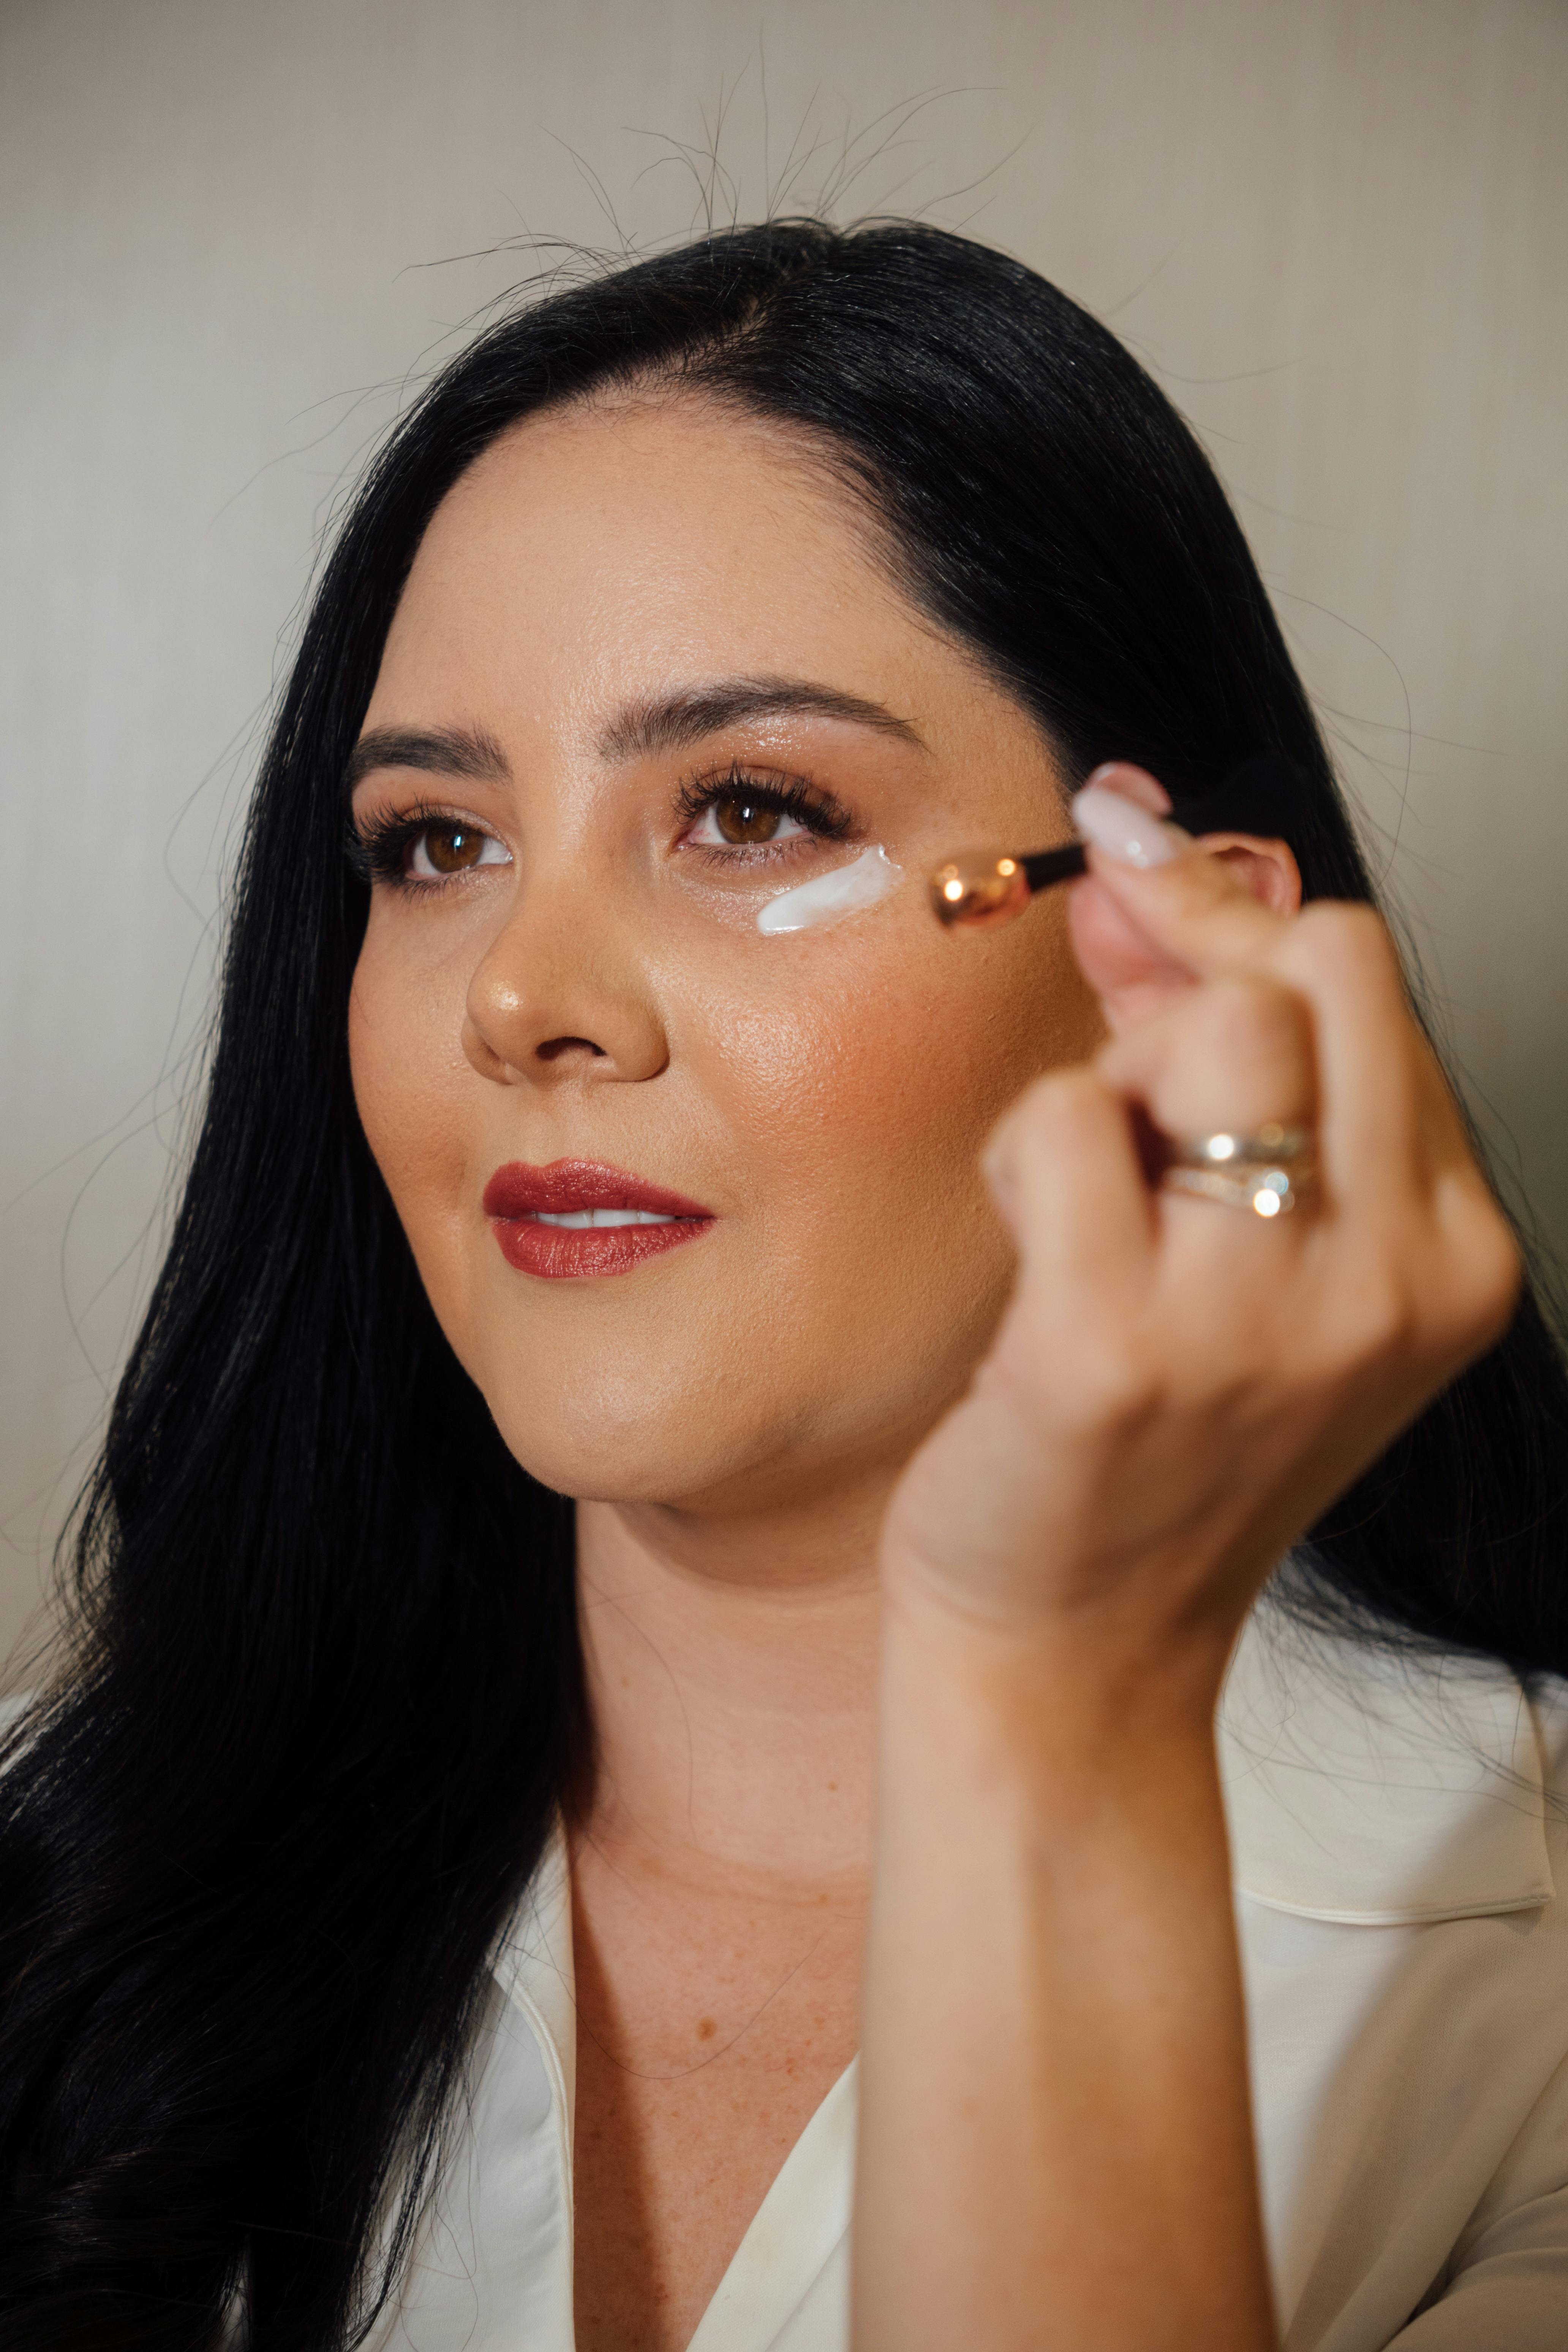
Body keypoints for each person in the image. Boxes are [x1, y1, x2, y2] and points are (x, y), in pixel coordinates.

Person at [2, 218, 1565, 2352]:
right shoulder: (52, 1871)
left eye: (749, 809)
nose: (525, 1000)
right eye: (434, 844)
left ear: (1181, 937)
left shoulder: (1540, 1985)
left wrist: (1062, 1684)